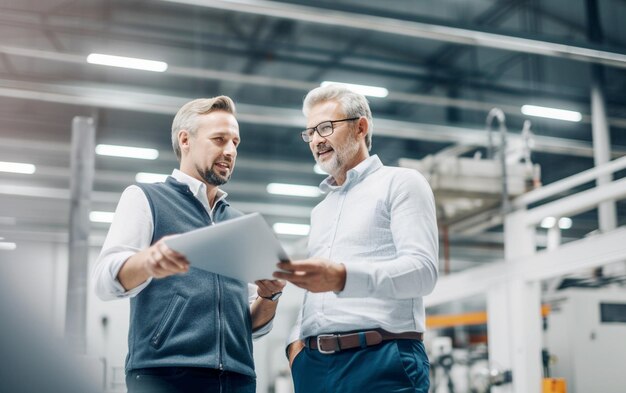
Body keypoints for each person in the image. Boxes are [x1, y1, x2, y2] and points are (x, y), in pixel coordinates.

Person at [93, 96, 285, 393]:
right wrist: (148, 261)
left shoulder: (237, 223)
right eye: (219, 139)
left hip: (238, 378)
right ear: (185, 140)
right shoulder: (146, 199)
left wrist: (269, 298)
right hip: (166, 375)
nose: (230, 150)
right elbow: (104, 280)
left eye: (235, 142)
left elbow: (248, 326)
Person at [273, 85, 438, 393]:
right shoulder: (321, 211)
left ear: (360, 127)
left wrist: (343, 277)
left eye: (326, 127)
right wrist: (294, 347)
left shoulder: (401, 183)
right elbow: (315, 296)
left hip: (381, 360)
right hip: (313, 365)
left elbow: (423, 272)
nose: (317, 140)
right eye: (310, 132)